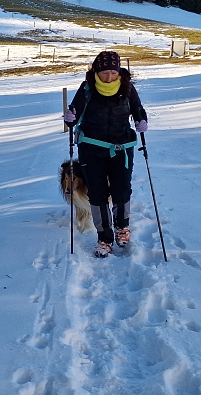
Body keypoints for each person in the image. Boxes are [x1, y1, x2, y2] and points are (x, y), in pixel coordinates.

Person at [63, 50, 148, 258]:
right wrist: (70, 117)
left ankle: (122, 228)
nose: (109, 77)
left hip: (121, 148)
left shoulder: (127, 87)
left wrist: (141, 120)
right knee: (97, 194)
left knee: (122, 190)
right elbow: (74, 113)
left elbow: (137, 108)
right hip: (91, 149)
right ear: (96, 71)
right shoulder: (87, 88)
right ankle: (104, 237)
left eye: (113, 72)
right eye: (104, 73)